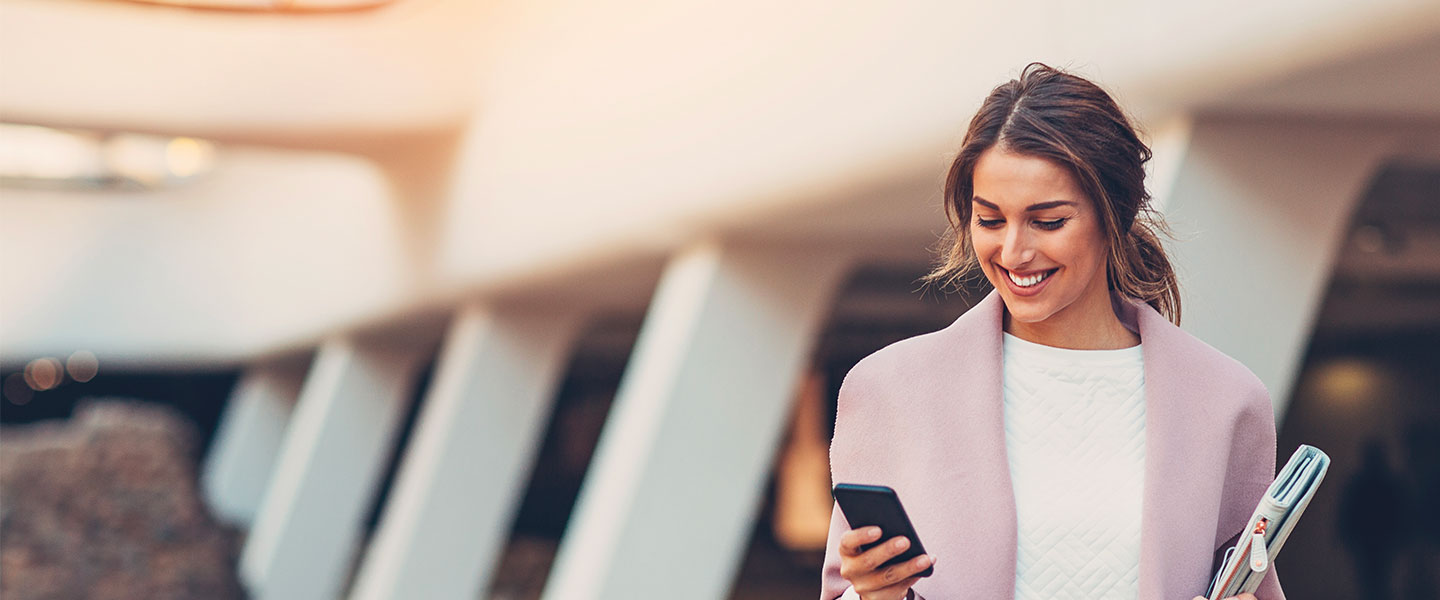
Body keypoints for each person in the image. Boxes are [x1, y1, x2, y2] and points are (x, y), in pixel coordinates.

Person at [818, 63, 1285, 600]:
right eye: (990, 220)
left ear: (1116, 214)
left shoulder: (1227, 402)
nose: (1014, 252)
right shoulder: (889, 390)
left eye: (1048, 221)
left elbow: (1252, 583)